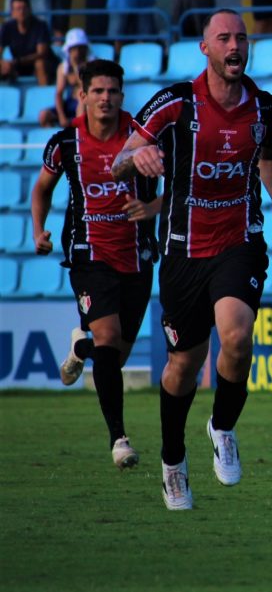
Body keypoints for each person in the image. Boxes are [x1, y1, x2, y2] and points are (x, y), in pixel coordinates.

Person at [110, 9, 272, 510]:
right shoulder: (175, 103)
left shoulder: (267, 110)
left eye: (241, 37)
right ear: (205, 48)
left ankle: (222, 427)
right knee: (183, 363)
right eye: (224, 38)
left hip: (240, 241)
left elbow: (268, 158)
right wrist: (138, 158)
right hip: (182, 253)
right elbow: (118, 161)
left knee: (237, 338)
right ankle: (173, 462)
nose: (234, 45)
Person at [31, 59, 160, 469]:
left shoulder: (144, 137)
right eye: (97, 91)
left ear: (122, 96)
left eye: (113, 91)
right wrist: (39, 230)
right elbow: (42, 189)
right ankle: (119, 440)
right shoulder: (65, 144)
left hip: (138, 255)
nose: (106, 98)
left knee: (113, 356)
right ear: (81, 95)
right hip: (89, 254)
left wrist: (152, 207)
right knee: (108, 339)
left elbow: (179, 186)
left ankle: (79, 346)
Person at [39, 27, 90, 127]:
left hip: (86, 105)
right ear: (69, 50)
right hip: (69, 103)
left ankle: (79, 137)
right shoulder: (63, 68)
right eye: (74, 48)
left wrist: (76, 68)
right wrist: (61, 116)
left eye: (80, 48)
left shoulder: (92, 65)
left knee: (81, 98)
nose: (77, 52)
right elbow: (59, 94)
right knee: (44, 116)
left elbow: (85, 87)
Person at [0, 0, 55, 85]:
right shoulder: (7, 27)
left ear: (30, 10)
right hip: (17, 65)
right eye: (18, 9)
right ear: (12, 12)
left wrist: (17, 61)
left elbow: (41, 53)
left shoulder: (41, 26)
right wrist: (4, 63)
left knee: (40, 64)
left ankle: (44, 96)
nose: (21, 12)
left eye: (24, 8)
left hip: (39, 64)